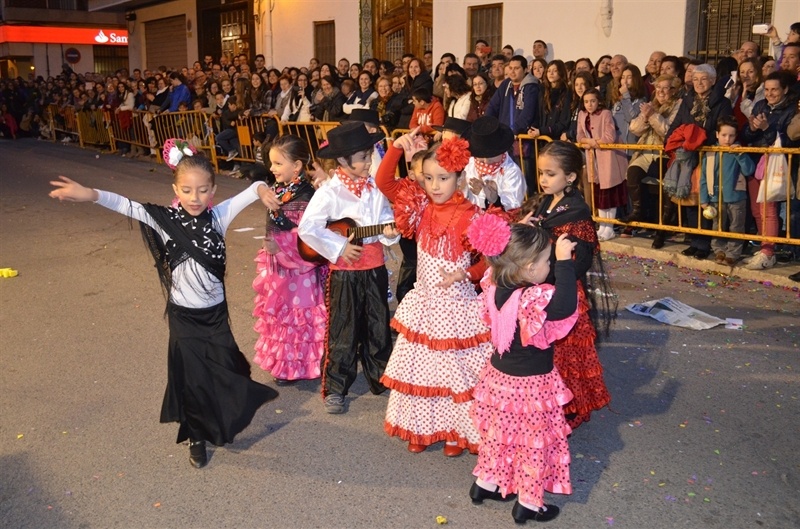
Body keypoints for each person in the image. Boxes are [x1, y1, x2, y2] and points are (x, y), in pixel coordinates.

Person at [48, 141, 279, 469]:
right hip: (184, 318)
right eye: (187, 190)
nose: (195, 197)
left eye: (203, 190)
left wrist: (262, 189)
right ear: (175, 190)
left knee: (227, 369)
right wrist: (91, 194)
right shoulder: (164, 218)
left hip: (215, 316)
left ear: (213, 190)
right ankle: (196, 435)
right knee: (194, 379)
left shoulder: (220, 216)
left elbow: (252, 189)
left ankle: (215, 417)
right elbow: (126, 205)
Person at [375, 131, 493, 457]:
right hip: (424, 304)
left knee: (456, 373)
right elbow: (384, 182)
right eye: (428, 178)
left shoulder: (471, 214)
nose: (435, 186)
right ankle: (421, 428)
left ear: (459, 177)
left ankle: (457, 432)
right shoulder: (421, 206)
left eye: (443, 178)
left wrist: (465, 273)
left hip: (456, 307)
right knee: (421, 370)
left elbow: (490, 258)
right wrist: (396, 148)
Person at [467, 215, 579, 524]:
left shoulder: (495, 282)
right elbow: (566, 306)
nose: (549, 267)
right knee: (533, 444)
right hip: (530, 385)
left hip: (498, 379)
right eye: (546, 262)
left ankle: (485, 484)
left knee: (498, 435)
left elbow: (505, 256)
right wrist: (565, 262)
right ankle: (529, 503)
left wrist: (517, 230)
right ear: (529, 268)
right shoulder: (532, 297)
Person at [297, 122, 399, 414]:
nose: (368, 162)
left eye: (369, 156)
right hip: (344, 271)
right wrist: (341, 246)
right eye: (363, 157)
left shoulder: (374, 189)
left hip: (375, 267)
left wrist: (389, 233)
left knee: (378, 325)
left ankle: (381, 377)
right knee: (344, 327)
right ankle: (336, 387)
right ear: (343, 160)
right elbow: (308, 228)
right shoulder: (329, 192)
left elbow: (386, 220)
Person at [524, 141, 615, 429]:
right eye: (541, 173)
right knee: (543, 350)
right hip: (540, 285)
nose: (543, 179)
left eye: (550, 174)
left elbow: (583, 260)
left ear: (571, 177)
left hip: (562, 289)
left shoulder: (577, 212)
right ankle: (543, 402)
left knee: (566, 353)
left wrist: (554, 277)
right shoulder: (544, 201)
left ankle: (567, 407)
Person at [252, 135, 326, 385]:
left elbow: (308, 236)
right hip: (277, 264)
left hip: (299, 267)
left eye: (278, 163)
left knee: (298, 316)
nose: (272, 168)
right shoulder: (279, 189)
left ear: (296, 166)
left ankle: (299, 364)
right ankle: (285, 363)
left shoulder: (305, 196)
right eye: (271, 163)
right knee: (282, 315)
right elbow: (256, 184)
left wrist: (281, 242)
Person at [741, 71, 798, 270]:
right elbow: (747, 135)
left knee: (769, 209)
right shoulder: (760, 105)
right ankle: (764, 247)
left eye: (774, 89)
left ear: (785, 89)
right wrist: (752, 128)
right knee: (757, 209)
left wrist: (766, 128)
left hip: (776, 163)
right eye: (766, 89)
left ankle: (768, 252)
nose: (770, 93)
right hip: (756, 160)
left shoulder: (792, 109)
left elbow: (788, 140)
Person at [626, 75, 682, 246]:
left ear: (673, 90)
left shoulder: (678, 105)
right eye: (658, 88)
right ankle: (638, 212)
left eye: (665, 88)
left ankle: (662, 229)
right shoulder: (651, 104)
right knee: (632, 172)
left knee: (666, 187)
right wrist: (645, 116)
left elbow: (668, 131)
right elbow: (634, 128)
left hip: (665, 154)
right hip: (646, 152)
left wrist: (652, 115)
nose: (661, 92)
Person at [699, 116, 756, 265]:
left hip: (736, 196)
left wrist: (740, 155)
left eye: (731, 135)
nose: (727, 139)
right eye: (724, 135)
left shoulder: (738, 151)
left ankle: (733, 253)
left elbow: (749, 170)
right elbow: (704, 178)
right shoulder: (710, 152)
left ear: (736, 136)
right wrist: (703, 199)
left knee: (736, 226)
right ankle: (719, 250)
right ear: (717, 134)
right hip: (715, 197)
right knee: (718, 225)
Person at [577, 88, 628, 241]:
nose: (589, 104)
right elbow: (579, 135)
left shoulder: (605, 114)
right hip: (593, 158)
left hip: (608, 157)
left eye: (592, 101)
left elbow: (609, 137)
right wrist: (588, 142)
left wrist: (593, 143)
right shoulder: (582, 115)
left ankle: (609, 227)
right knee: (598, 193)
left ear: (598, 101)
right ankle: (602, 225)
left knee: (609, 193)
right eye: (586, 101)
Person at [485, 55, 540, 191]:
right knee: (506, 179)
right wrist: (488, 126)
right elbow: (492, 106)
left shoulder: (531, 86)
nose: (512, 71)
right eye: (510, 68)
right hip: (505, 140)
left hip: (523, 141)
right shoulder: (506, 84)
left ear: (525, 69)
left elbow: (527, 113)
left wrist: (514, 131)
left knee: (524, 180)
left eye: (516, 68)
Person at [463, 115, 526, 210]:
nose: (486, 161)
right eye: (481, 156)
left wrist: (491, 197)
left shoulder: (511, 171)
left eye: (491, 155)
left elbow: (513, 205)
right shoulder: (469, 165)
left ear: (501, 150)